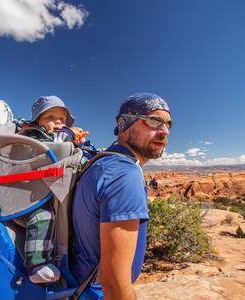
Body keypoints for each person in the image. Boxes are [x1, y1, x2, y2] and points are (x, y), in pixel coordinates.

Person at [71, 92, 172, 299]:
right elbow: (115, 284)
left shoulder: (104, 162)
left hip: (81, 286)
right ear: (126, 125)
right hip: (95, 293)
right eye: (154, 121)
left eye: (168, 124)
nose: (164, 131)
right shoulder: (124, 173)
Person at [14, 95, 89, 284]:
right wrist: (69, 134)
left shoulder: (52, 135)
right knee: (43, 217)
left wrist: (78, 144)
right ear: (37, 121)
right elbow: (56, 148)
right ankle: (36, 266)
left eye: (62, 119)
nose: (58, 122)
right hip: (30, 197)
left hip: (46, 191)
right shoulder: (34, 136)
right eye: (50, 117)